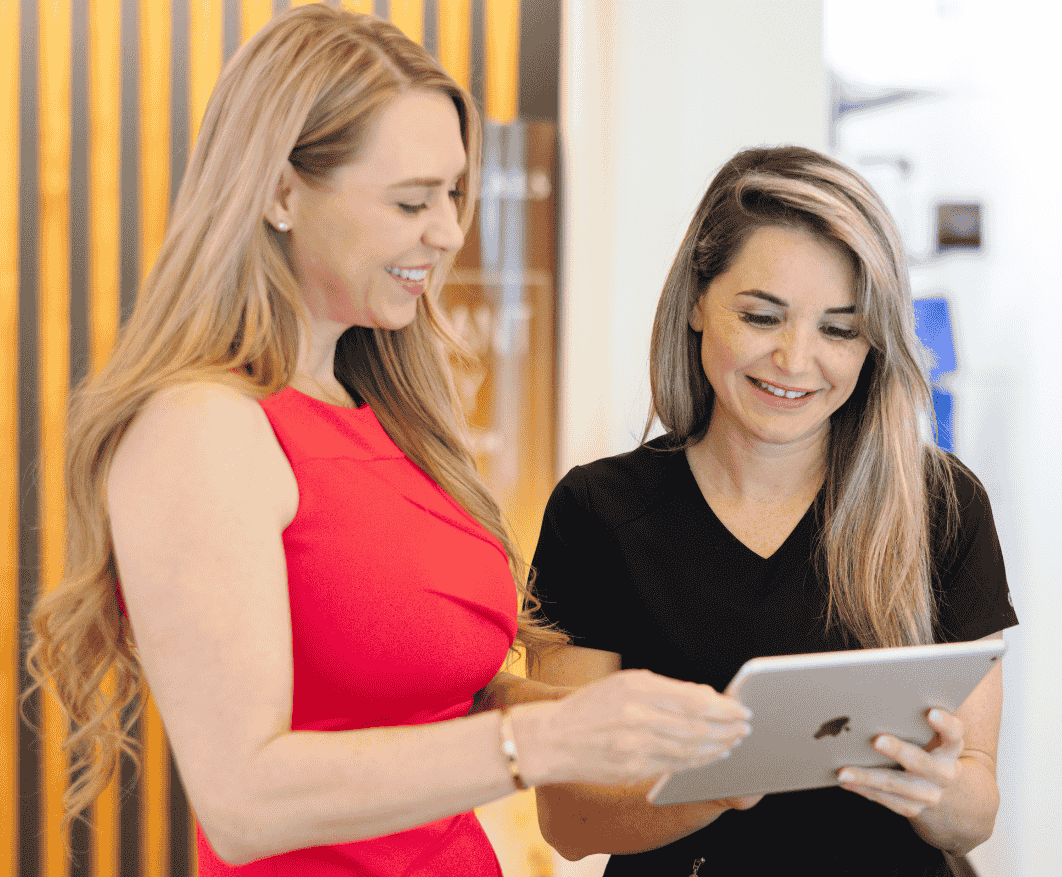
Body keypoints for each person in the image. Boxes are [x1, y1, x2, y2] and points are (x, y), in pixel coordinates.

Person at [22, 6, 753, 875]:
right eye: (412, 201)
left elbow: (433, 701)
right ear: (280, 193)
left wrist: (636, 725)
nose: (446, 231)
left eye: (452, 194)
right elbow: (244, 798)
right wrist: (547, 734)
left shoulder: (385, 412)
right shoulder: (201, 429)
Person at [527, 146, 1019, 876]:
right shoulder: (599, 513)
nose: (795, 359)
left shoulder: (941, 507)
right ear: (696, 300)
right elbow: (568, 819)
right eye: (763, 316)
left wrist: (937, 790)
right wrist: (722, 787)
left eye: (839, 329)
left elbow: (973, 816)